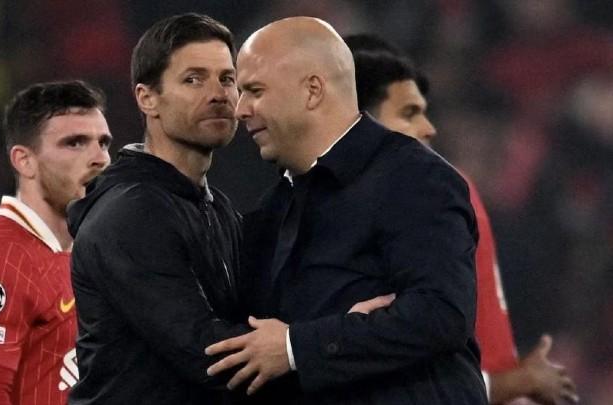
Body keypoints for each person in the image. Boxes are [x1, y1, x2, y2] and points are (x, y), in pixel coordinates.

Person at [205, 17, 487, 404]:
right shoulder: (269, 213)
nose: (240, 110)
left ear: (313, 90)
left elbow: (442, 313)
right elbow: (258, 347)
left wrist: (295, 346)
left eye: (254, 90)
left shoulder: (412, 176)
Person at [343, 33, 579, 405]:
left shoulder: (431, 194)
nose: (428, 129)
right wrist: (516, 383)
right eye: (408, 114)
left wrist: (510, 383)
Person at [66, 13, 253, 404]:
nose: (218, 94)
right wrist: (304, 347)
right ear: (146, 98)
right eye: (193, 79)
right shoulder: (131, 214)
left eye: (227, 79)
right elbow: (207, 355)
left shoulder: (215, 207)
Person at [0, 80, 112, 405]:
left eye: (103, 143)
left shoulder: (83, 252)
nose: (99, 158)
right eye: (75, 143)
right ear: (24, 161)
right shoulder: (1, 257)